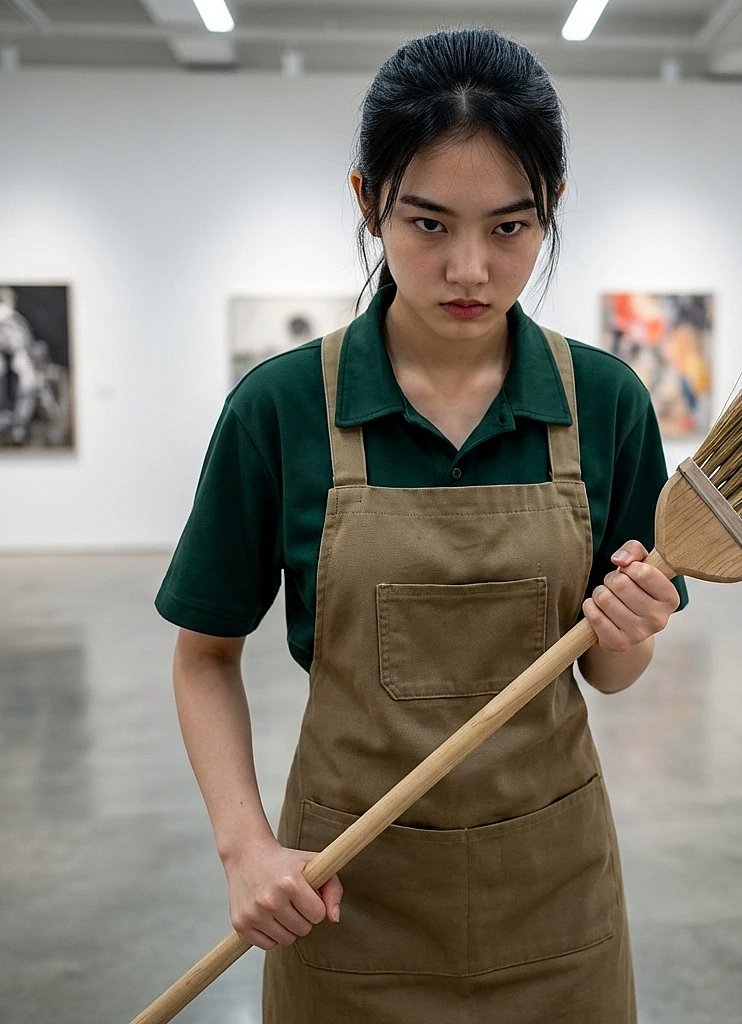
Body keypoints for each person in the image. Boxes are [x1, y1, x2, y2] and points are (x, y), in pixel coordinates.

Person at [156, 26, 688, 1024]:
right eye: (429, 224)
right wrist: (245, 847)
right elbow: (204, 657)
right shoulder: (278, 409)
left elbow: (608, 673)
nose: (470, 271)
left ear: (552, 211)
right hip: (344, 893)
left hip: (552, 897)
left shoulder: (607, 403)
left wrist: (633, 630)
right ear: (367, 201)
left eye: (510, 228)